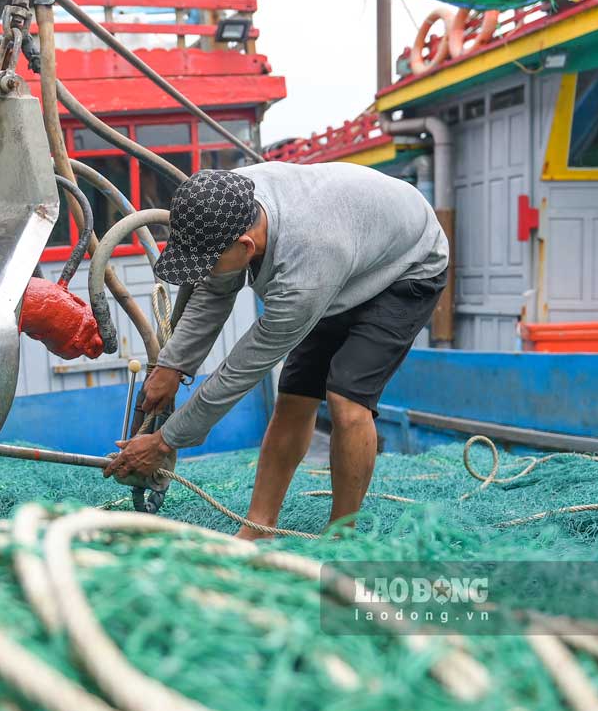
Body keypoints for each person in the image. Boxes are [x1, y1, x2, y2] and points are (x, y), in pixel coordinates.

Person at [103, 163, 449, 538]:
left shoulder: (303, 276)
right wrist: (171, 367)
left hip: (407, 266)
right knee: (295, 394)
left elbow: (240, 372)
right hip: (351, 251)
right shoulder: (228, 197)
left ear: (247, 246)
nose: (204, 271)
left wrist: (166, 439)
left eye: (209, 262)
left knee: (347, 398)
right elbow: (214, 290)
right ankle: (259, 526)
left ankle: (341, 533)